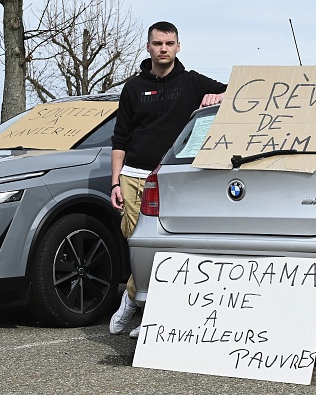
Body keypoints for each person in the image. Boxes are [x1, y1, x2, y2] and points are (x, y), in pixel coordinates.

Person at [109, 21, 227, 338]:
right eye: (158, 43)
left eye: (169, 43)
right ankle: (140, 303)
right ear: (148, 47)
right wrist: (115, 181)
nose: (164, 49)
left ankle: (138, 306)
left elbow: (237, 93)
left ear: (178, 46)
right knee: (139, 244)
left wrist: (218, 97)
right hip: (134, 176)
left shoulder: (191, 82)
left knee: (169, 248)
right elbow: (119, 138)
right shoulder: (133, 87)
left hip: (174, 179)